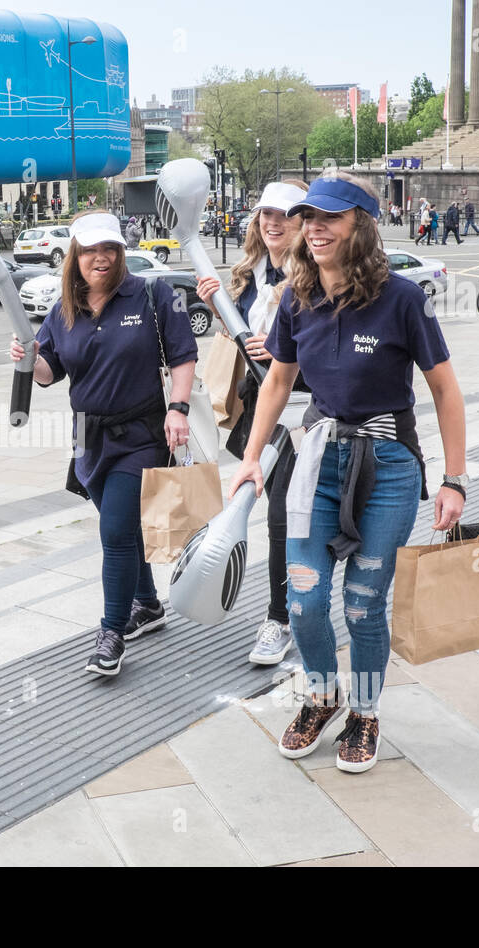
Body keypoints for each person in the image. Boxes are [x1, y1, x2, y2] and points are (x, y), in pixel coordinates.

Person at [229, 172, 466, 772]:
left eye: (330, 218)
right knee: (303, 599)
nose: (314, 228)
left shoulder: (402, 298)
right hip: (317, 460)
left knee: (362, 603)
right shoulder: (294, 297)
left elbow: (445, 390)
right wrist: (252, 457)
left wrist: (453, 477)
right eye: (310, 218)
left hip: (387, 465)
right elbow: (279, 381)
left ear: (360, 225)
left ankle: (364, 711)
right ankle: (322, 696)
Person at [9, 211, 197, 677]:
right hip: (88, 439)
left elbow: (183, 355)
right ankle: (148, 605)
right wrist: (27, 359)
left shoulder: (152, 295)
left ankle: (111, 633)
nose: (102, 258)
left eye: (109, 248)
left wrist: (179, 407)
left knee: (114, 533)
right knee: (127, 529)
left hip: (142, 434)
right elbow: (51, 373)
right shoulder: (63, 309)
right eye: (91, 250)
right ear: (75, 255)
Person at [195, 180, 308, 666]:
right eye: (266, 214)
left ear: (304, 221)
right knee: (281, 515)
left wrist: (284, 349)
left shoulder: (314, 276)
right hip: (259, 413)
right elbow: (237, 338)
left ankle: (282, 617)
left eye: (284, 215)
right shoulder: (249, 273)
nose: (273, 223)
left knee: (289, 517)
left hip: (305, 413)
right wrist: (215, 307)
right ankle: (287, 611)